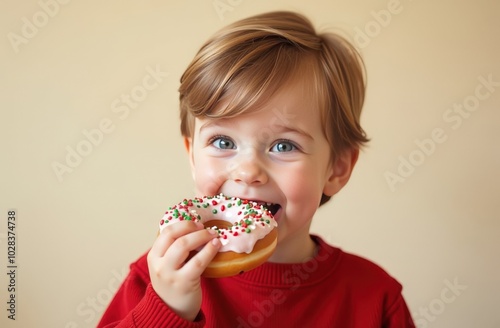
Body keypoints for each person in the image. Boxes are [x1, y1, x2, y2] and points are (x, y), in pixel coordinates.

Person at [98, 11, 415, 327]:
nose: (247, 171)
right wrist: (169, 311)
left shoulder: (375, 298)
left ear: (337, 169)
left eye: (283, 146)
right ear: (192, 156)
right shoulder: (159, 276)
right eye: (222, 142)